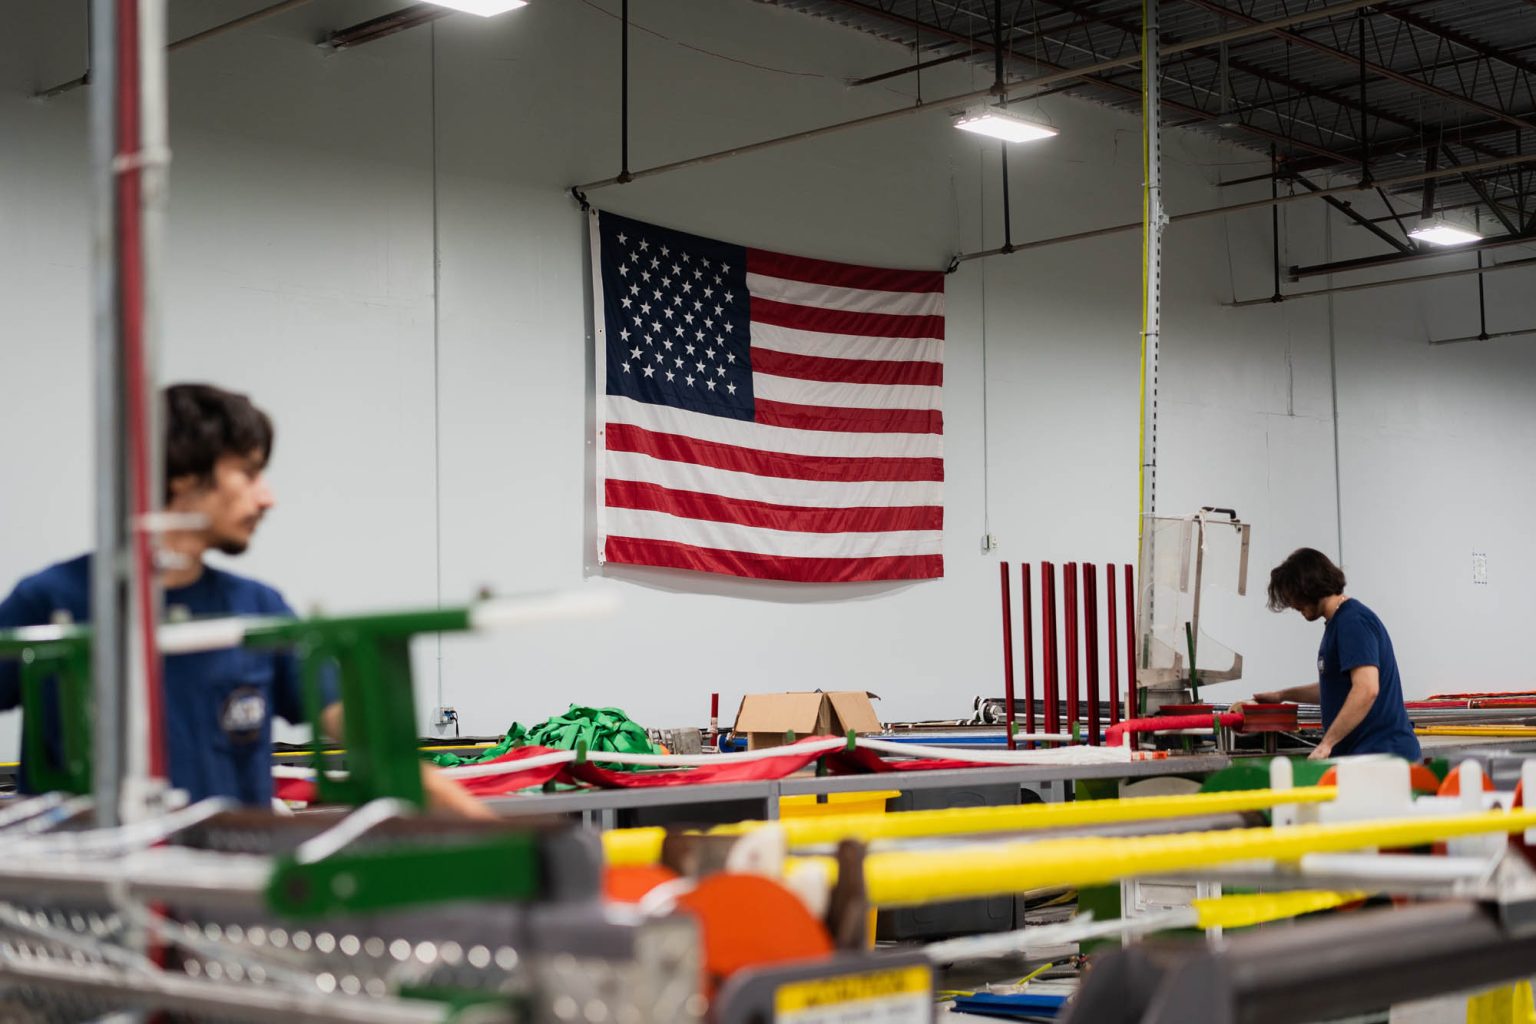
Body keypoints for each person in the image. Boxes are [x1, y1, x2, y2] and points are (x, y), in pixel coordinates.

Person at [0, 383, 490, 817]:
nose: (267, 498)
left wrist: (479, 826)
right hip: (81, 905)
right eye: (248, 473)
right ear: (183, 477)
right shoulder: (51, 601)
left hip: (222, 899)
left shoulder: (258, 610)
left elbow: (362, 733)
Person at [1235, 547, 1420, 762]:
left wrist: (1327, 743)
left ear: (1307, 587)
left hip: (1383, 756)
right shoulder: (1339, 623)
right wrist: (1281, 696)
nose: (1292, 605)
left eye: (1292, 597)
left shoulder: (1352, 622)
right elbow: (1335, 688)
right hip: (1365, 756)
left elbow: (1366, 689)